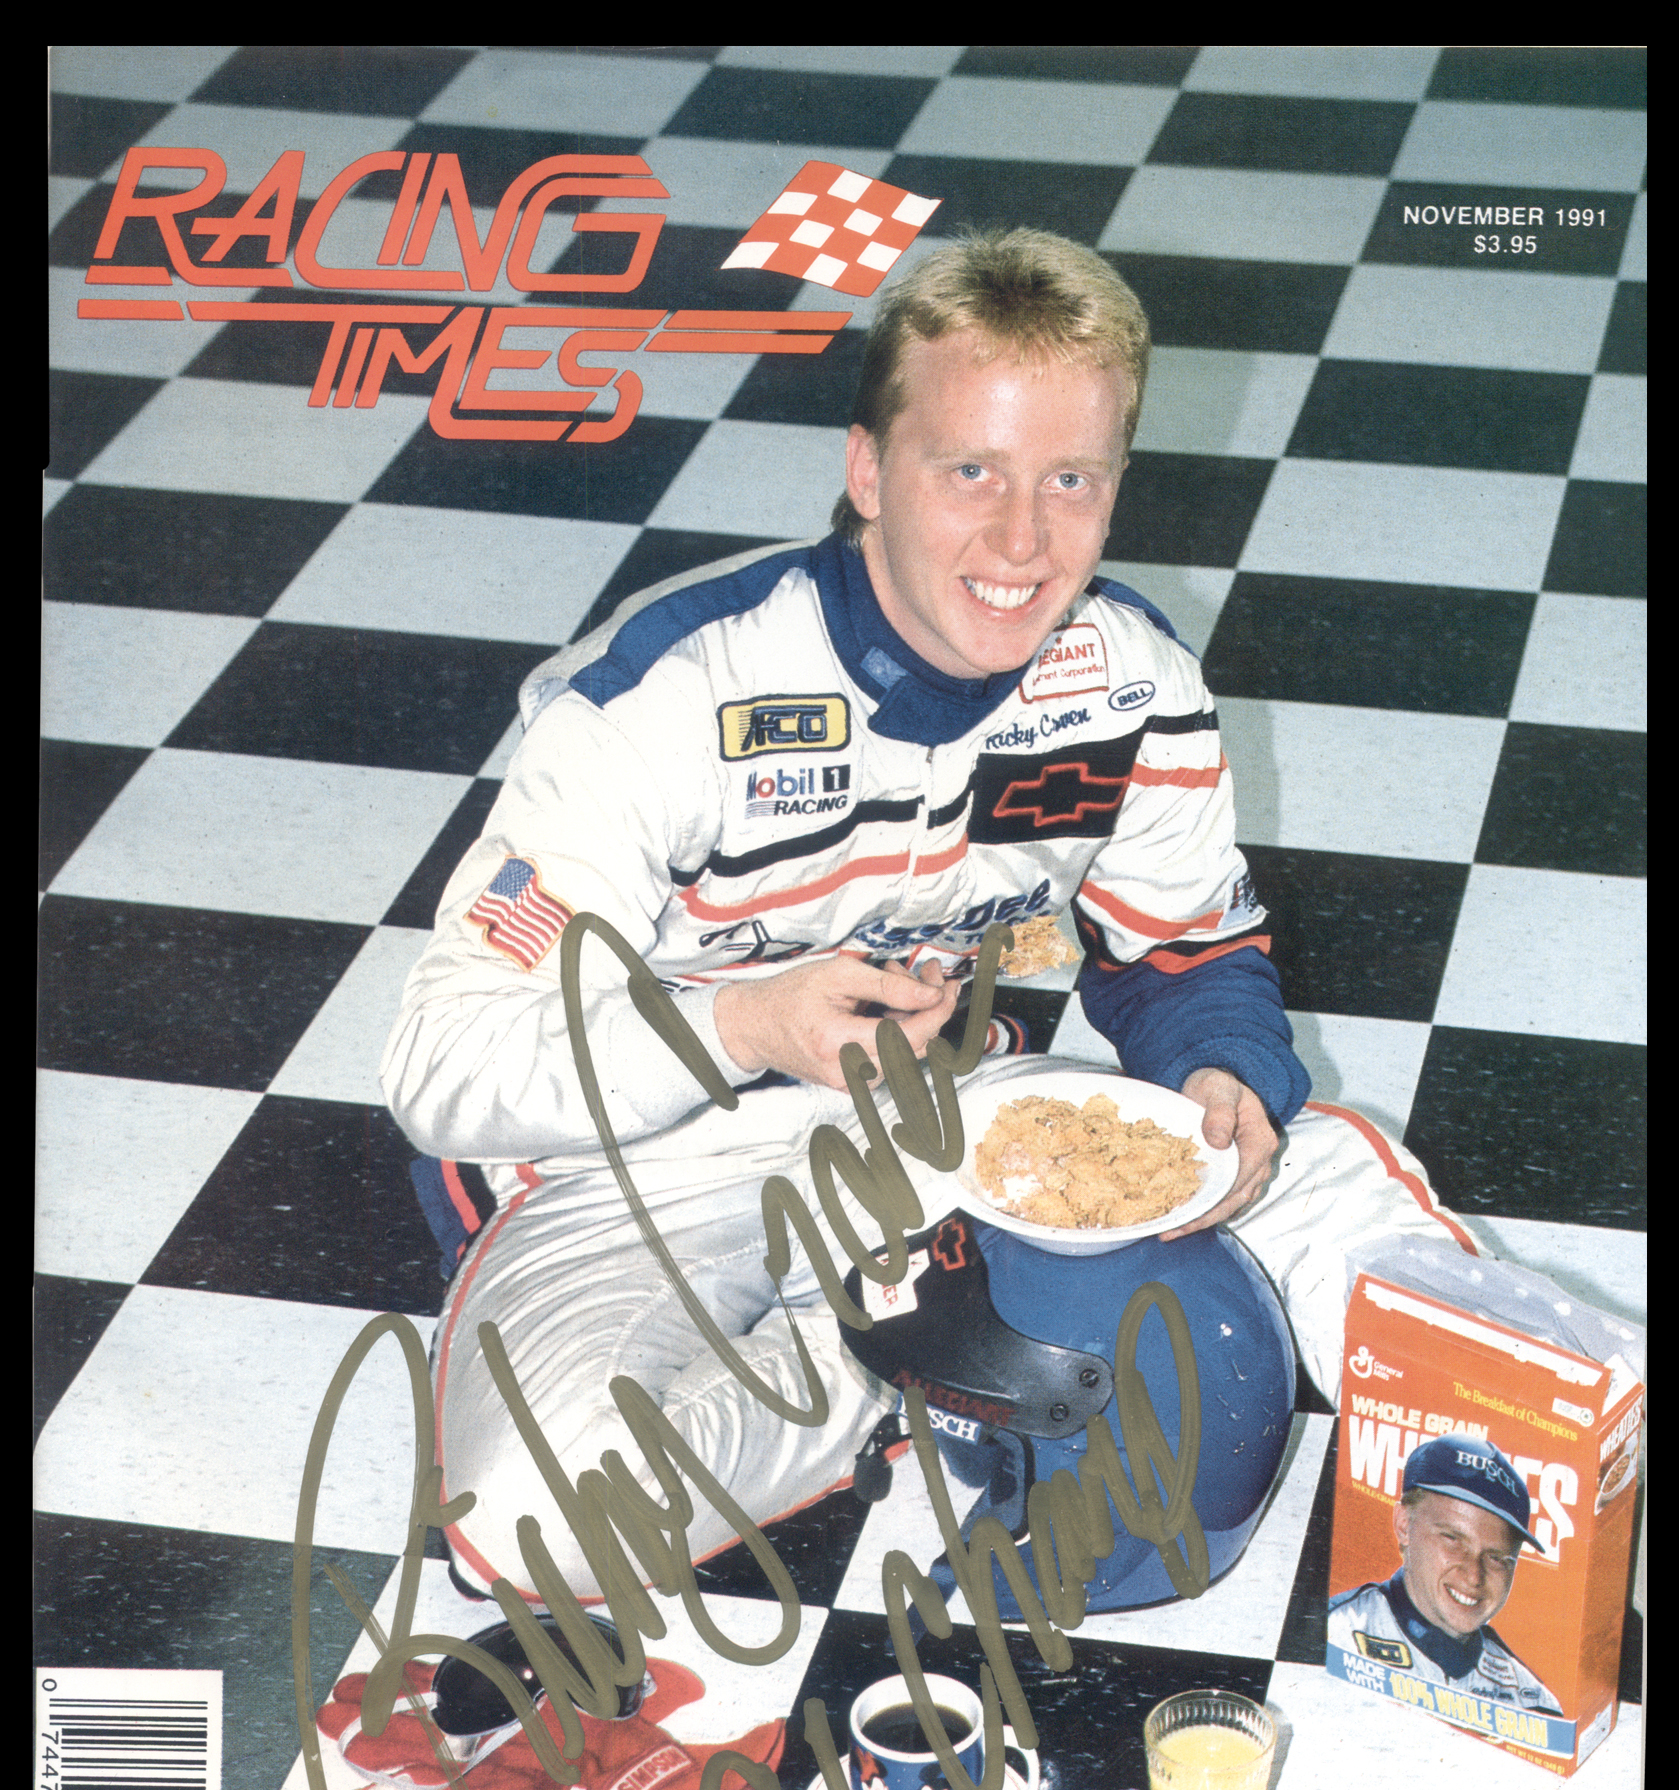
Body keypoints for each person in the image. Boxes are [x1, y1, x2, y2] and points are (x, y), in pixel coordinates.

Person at [383, 227, 1480, 1607]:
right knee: (534, 1522)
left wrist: (1220, 1068)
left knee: (1293, 1163)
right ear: (866, 472)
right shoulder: (661, 696)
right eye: (969, 470)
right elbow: (441, 1068)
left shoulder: (1128, 681)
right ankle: (884, 1360)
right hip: (629, 1166)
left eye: (1069, 479)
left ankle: (1518, 1423)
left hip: (938, 1121)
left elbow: (1183, 948)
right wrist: (742, 1025)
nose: (1021, 540)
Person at [1328, 1435, 1562, 1712]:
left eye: (1497, 1558)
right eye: (1453, 1539)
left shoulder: (1534, 1703)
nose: (1474, 1576)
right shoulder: (1333, 1635)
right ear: (1404, 1525)